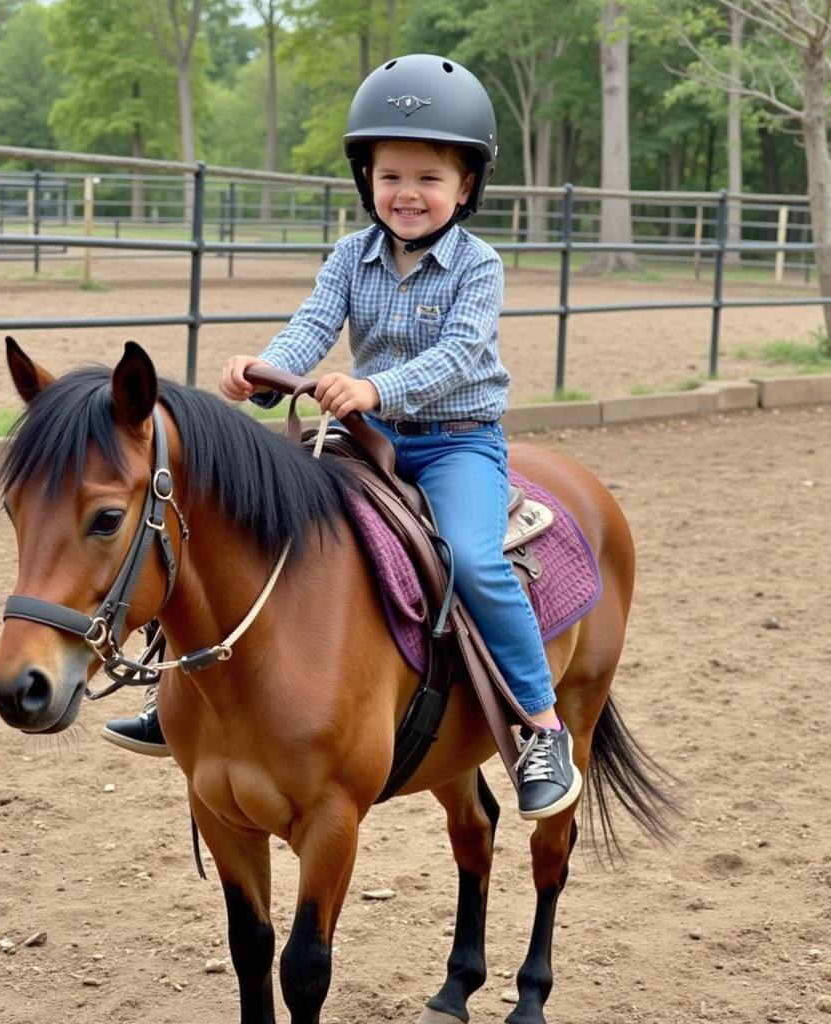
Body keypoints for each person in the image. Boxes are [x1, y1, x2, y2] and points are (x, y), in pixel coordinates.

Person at [103, 54, 581, 821]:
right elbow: (314, 325)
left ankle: (539, 726)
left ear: (465, 187)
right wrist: (266, 370)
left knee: (474, 557)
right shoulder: (350, 255)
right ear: (368, 181)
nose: (408, 193)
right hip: (364, 434)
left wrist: (372, 387)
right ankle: (182, 694)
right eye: (391, 175)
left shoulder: (479, 266)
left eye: (429, 178)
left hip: (456, 441)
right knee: (238, 523)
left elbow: (461, 353)